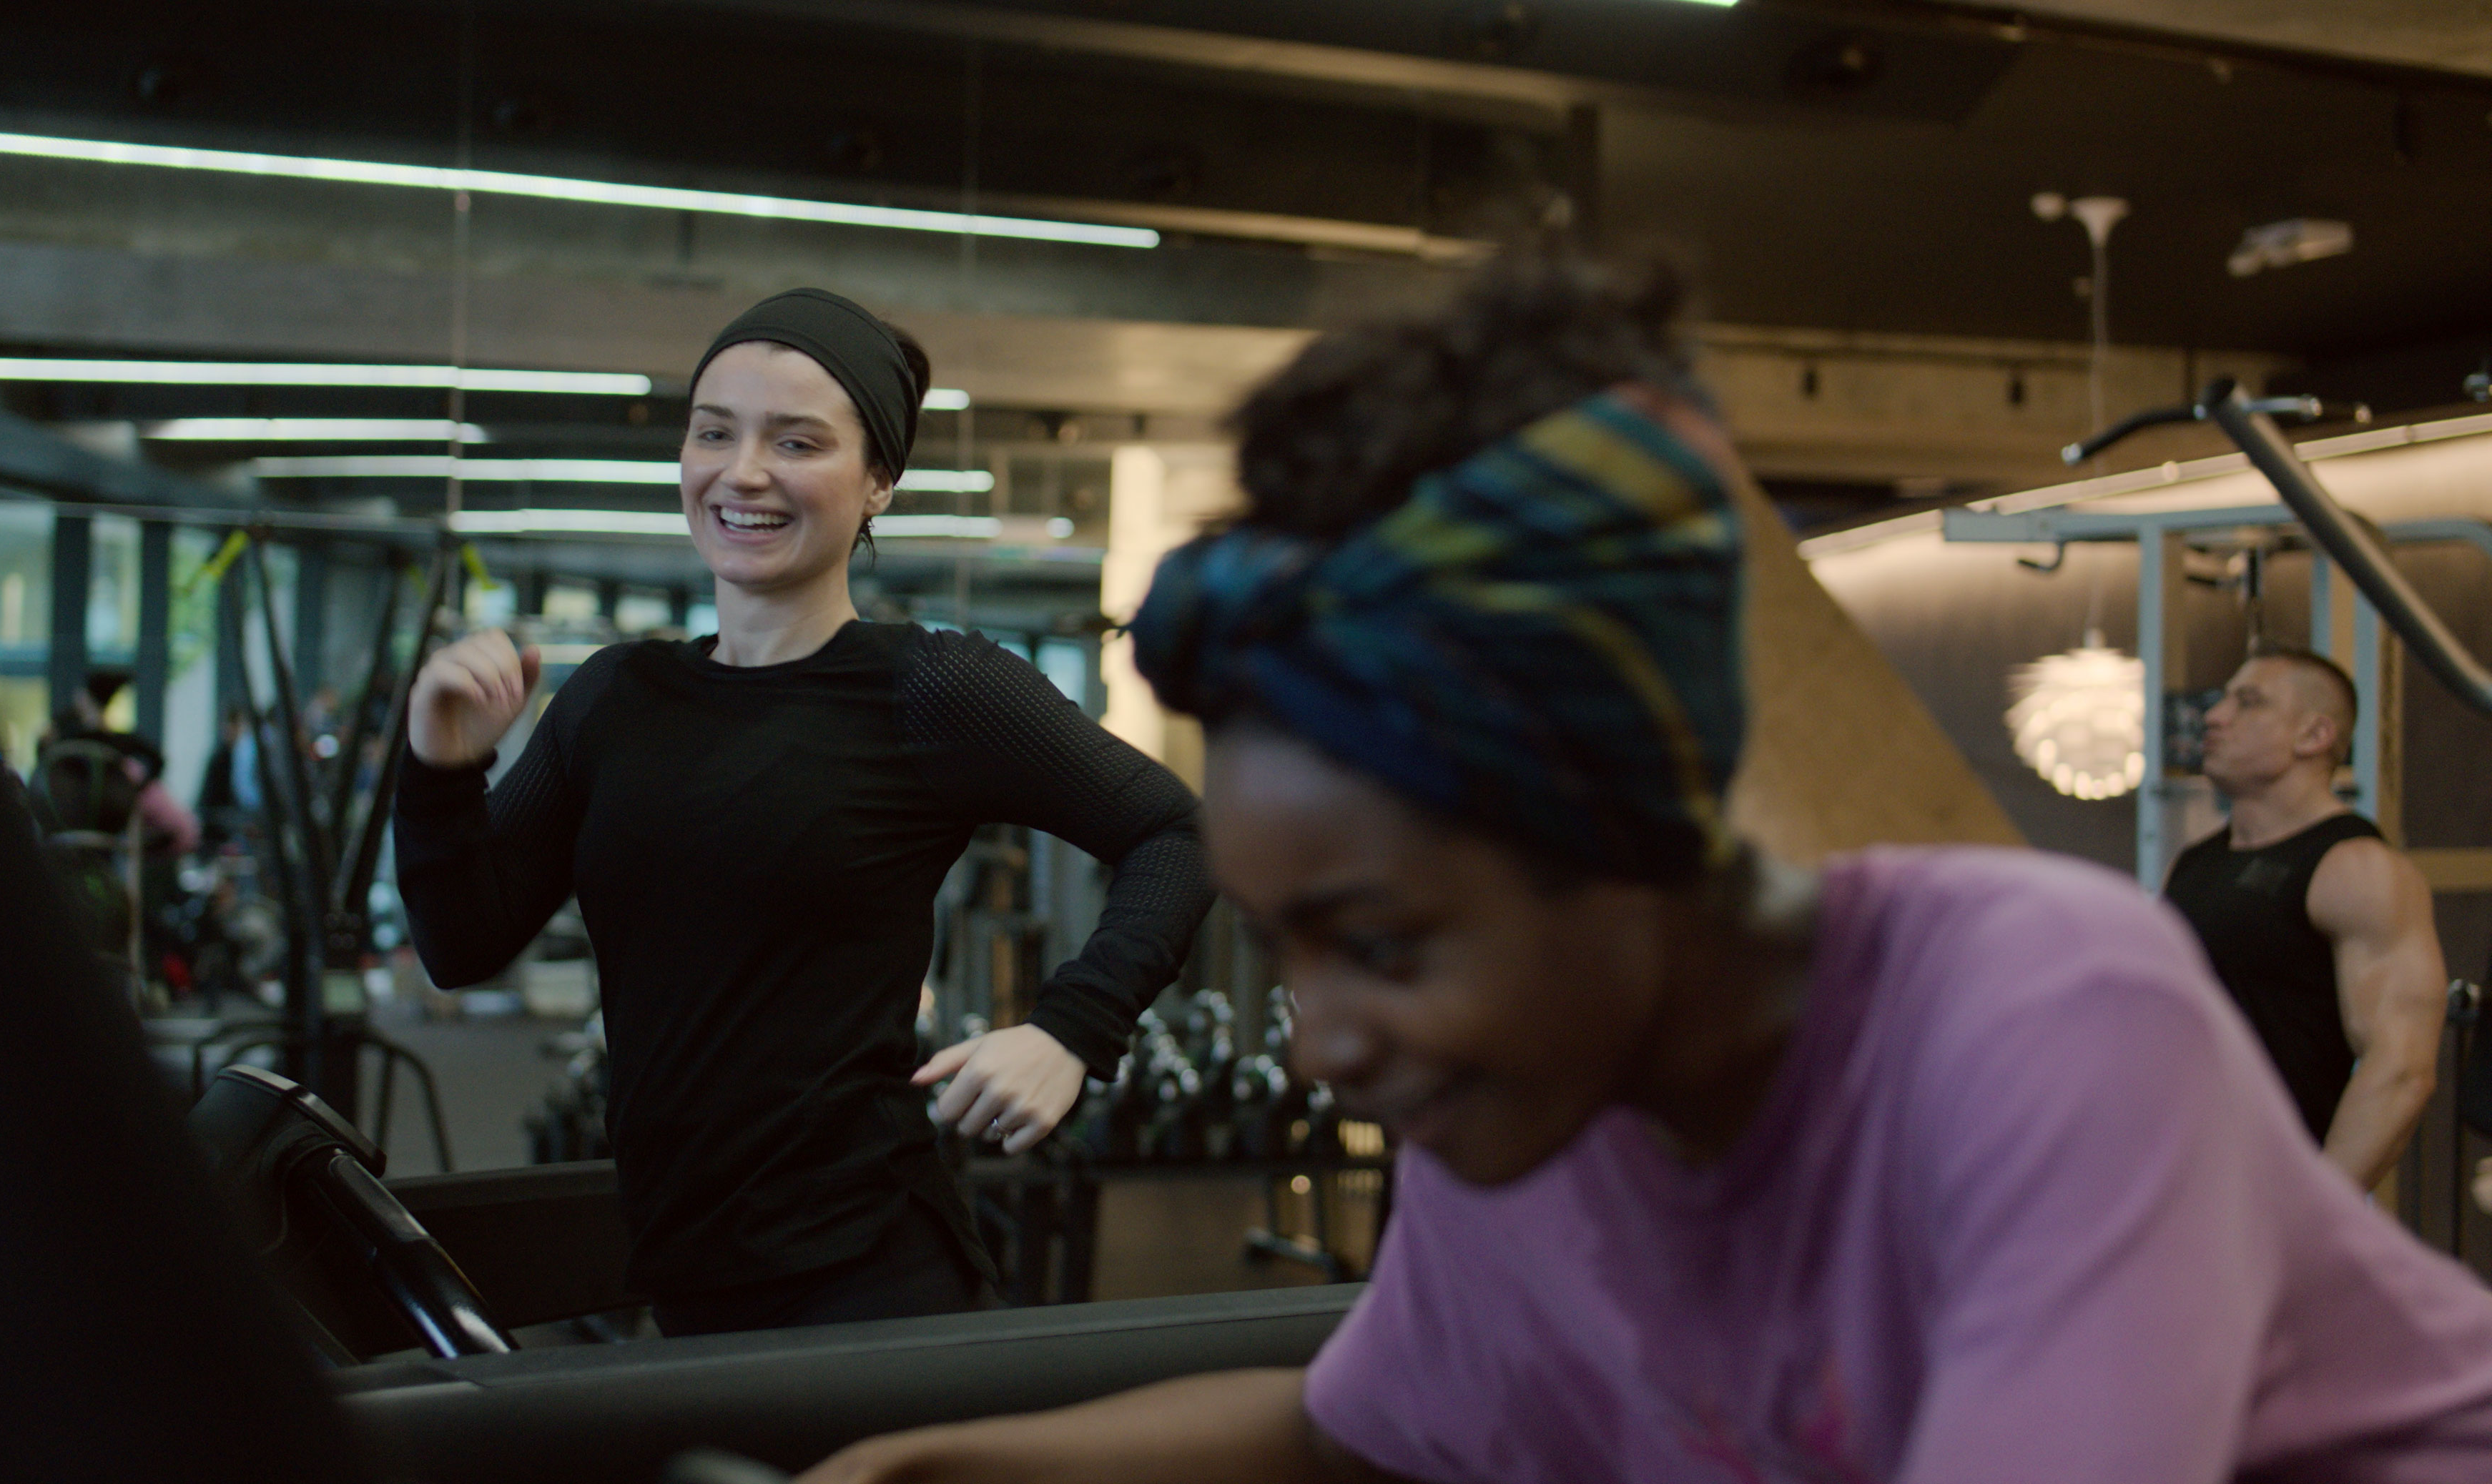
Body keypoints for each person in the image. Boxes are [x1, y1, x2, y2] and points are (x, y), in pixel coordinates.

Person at [802, 256, 2492, 1483]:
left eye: (1381, 941)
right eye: (1295, 949)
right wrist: (931, 1467)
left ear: (1635, 841)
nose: (1324, 1046)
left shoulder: (2040, 1012)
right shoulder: (1522, 1111)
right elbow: (1361, 1437)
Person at [395, 288, 1210, 1335]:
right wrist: (442, 766)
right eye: (714, 433)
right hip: (682, 1269)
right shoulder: (613, 699)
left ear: (877, 484)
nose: (743, 472)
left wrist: (1072, 1028)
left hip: (869, 1275)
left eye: (796, 442)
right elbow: (460, 945)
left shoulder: (933, 690)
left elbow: (1179, 834)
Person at [2163, 649, 2448, 1190]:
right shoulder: (2196, 863)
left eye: (2249, 702)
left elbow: (2401, 1071)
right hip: (2176, 1181)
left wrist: (2314, 1214)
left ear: (2314, 735)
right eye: (2222, 701)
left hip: (2267, 1191)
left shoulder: (2356, 868)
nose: (2214, 717)